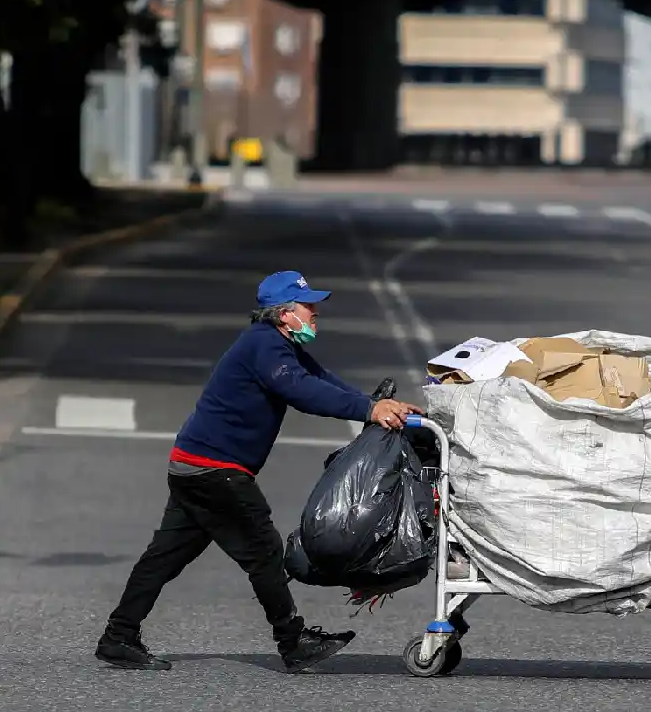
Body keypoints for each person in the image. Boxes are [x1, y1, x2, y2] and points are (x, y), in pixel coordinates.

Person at [94, 270, 422, 673]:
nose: (315, 313)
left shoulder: (279, 346)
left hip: (194, 465)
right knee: (264, 550)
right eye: (309, 307)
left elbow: (319, 379)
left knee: (164, 558)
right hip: (214, 470)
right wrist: (368, 410)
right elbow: (301, 391)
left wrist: (373, 404)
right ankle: (292, 640)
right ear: (285, 314)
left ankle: (118, 637)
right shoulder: (264, 346)